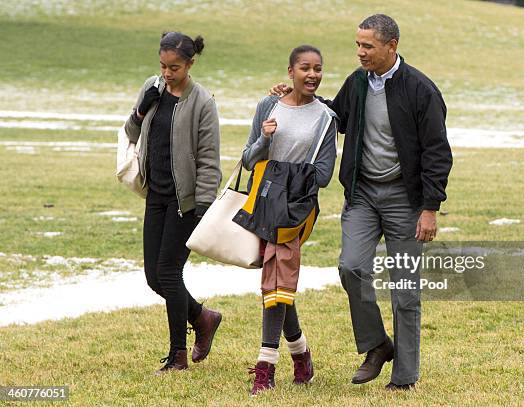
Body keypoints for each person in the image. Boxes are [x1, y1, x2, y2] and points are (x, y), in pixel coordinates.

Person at [271, 14, 452, 390]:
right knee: (351, 267)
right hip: (363, 195)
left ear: (392, 46)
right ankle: (377, 345)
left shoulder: (421, 90)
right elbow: (335, 117)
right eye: (358, 45)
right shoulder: (357, 83)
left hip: (407, 199)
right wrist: (297, 98)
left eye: (368, 46)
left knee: (404, 290)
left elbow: (437, 152)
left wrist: (430, 207)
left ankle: (404, 379)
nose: (360, 52)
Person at [123, 31, 223, 374]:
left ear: (190, 64)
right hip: (156, 196)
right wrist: (140, 110)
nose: (167, 73)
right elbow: (131, 132)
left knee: (168, 271)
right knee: (154, 278)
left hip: (188, 202)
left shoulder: (203, 103)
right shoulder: (153, 87)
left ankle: (178, 355)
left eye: (174, 67)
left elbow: (210, 160)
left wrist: (204, 207)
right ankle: (203, 317)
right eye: (163, 66)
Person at [241, 45, 338, 396]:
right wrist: (265, 140)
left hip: (296, 209)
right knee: (278, 277)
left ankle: (265, 368)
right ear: (290, 71)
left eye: (318, 68)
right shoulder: (268, 106)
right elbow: (249, 159)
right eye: (305, 68)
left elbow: (325, 174)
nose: (312, 74)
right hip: (263, 203)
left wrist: (285, 174)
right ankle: (301, 356)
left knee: (276, 276)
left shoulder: (326, 117)